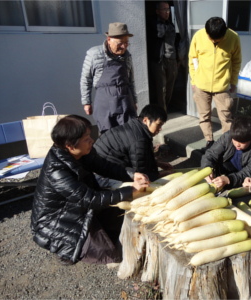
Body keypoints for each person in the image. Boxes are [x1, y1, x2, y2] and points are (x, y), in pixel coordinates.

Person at [31, 115, 149, 266]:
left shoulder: (79, 153)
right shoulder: (57, 170)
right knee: (110, 254)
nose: (92, 140)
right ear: (70, 146)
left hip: (77, 207)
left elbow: (104, 166)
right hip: (56, 222)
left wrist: (131, 174)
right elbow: (90, 199)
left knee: (119, 216)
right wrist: (130, 191)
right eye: (86, 138)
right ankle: (66, 250)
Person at [189, 17, 242, 151]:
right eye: (211, 38)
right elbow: (192, 59)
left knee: (226, 117)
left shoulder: (233, 37)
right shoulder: (199, 36)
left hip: (222, 86)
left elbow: (236, 61)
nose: (213, 41)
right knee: (204, 116)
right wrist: (194, 80)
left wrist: (233, 81)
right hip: (201, 85)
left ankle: (227, 143)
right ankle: (209, 141)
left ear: (224, 34)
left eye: (217, 40)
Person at [80, 22, 138, 134]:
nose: (124, 46)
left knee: (129, 133)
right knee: (107, 135)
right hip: (104, 101)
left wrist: (134, 101)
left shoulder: (127, 56)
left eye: (126, 43)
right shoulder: (94, 54)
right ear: (109, 39)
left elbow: (131, 81)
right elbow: (86, 79)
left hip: (125, 99)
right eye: (120, 43)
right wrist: (86, 102)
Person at [94, 104, 172, 182]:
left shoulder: (136, 126)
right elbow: (140, 170)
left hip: (102, 158)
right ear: (145, 120)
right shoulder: (138, 139)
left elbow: (144, 157)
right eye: (158, 125)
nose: (160, 129)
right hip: (103, 166)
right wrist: (158, 176)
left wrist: (158, 163)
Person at [201, 115, 251, 190]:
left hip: (246, 181)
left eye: (242, 142)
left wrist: (229, 179)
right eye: (234, 140)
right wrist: (207, 169)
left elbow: (250, 171)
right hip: (227, 170)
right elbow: (210, 154)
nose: (237, 144)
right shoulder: (227, 136)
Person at [147, 1, 178, 112]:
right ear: (157, 11)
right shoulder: (153, 23)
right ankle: (162, 113)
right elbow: (160, 34)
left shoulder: (171, 24)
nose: (167, 12)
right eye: (164, 9)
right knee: (161, 89)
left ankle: (164, 108)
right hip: (159, 60)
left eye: (168, 9)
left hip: (172, 59)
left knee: (170, 87)